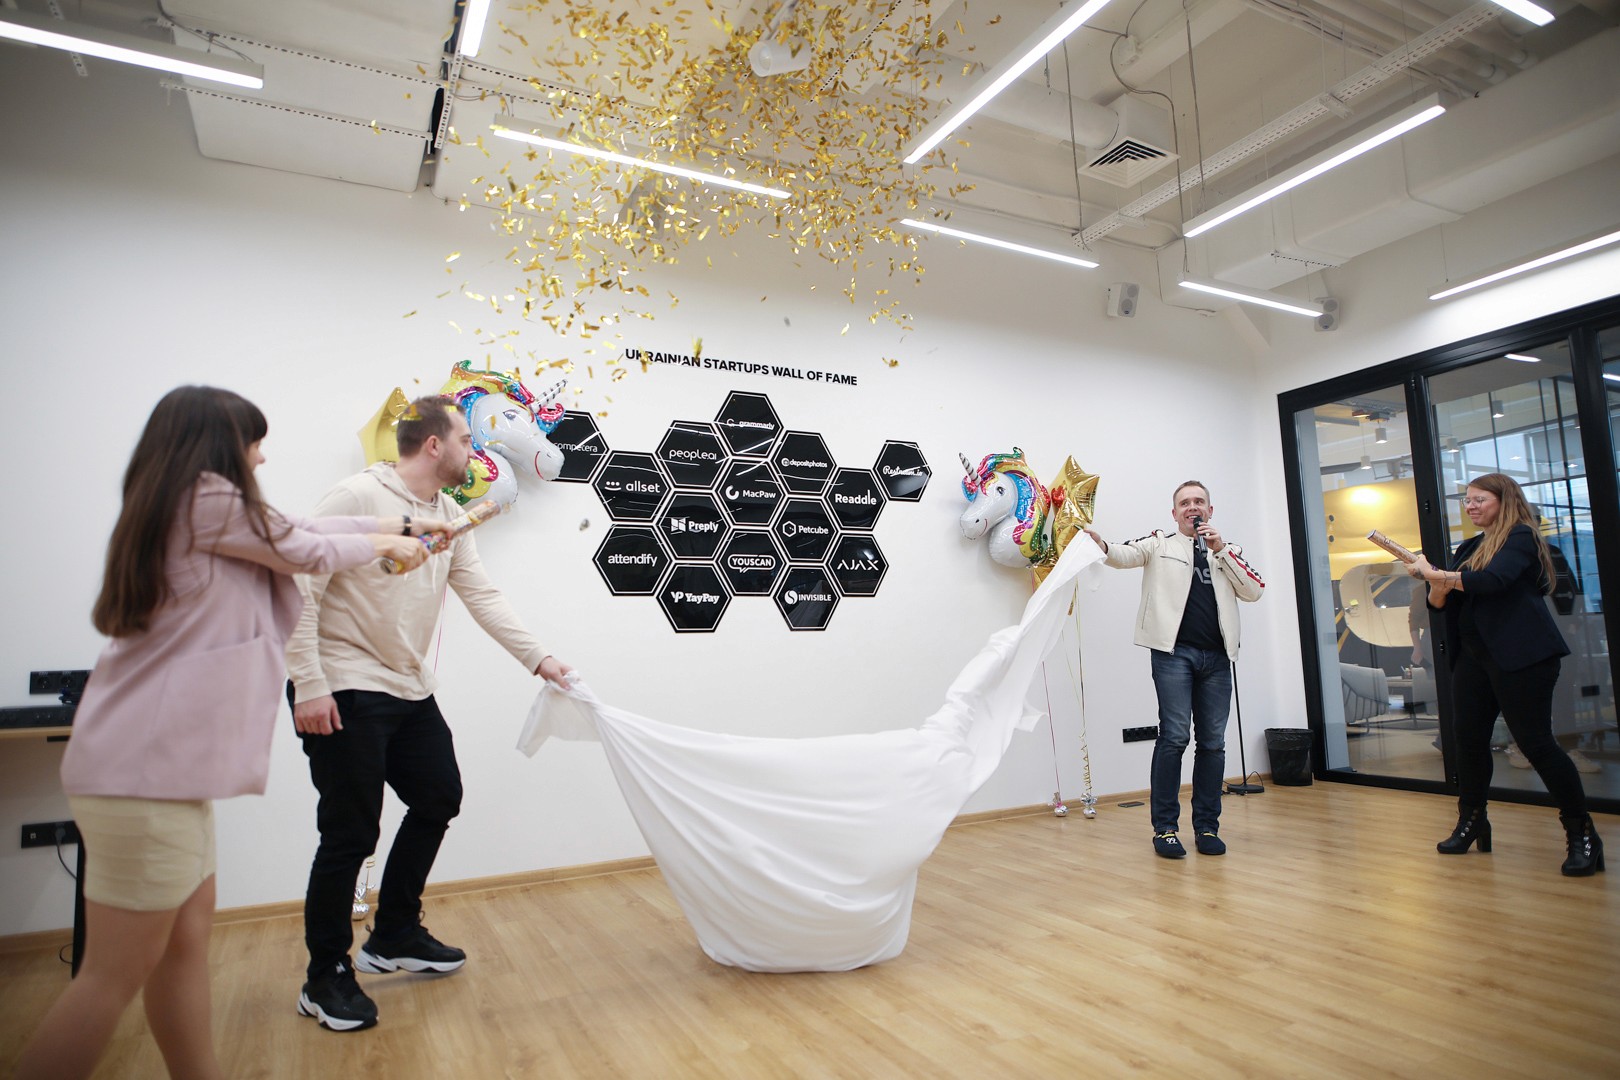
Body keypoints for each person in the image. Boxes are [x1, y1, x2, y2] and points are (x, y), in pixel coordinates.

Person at [15, 387, 433, 1080]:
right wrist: (388, 541)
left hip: (163, 778)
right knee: (110, 978)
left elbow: (298, 526)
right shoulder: (204, 500)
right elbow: (299, 544)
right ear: (217, 445)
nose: (261, 456)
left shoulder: (191, 509)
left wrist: (403, 522)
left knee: (182, 949)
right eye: (254, 441)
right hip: (141, 777)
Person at [286, 395, 574, 1033]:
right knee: (351, 834)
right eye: (467, 440)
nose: (476, 451)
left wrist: (540, 659)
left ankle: (393, 933)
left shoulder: (446, 514)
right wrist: (308, 683)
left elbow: (481, 594)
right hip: (343, 683)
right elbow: (299, 583)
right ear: (434, 444)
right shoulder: (359, 496)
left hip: (407, 687)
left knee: (439, 796)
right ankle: (324, 976)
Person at [1404, 473, 1603, 876]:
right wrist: (1434, 582)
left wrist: (1437, 576)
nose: (1471, 506)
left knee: (1536, 744)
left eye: (1479, 499)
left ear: (1504, 499)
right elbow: (1441, 605)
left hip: (1523, 657)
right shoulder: (1468, 547)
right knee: (1468, 742)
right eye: (1467, 500)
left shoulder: (1522, 537)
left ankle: (1582, 833)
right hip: (1473, 658)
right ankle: (1472, 821)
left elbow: (1494, 582)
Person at [1083, 481, 1265, 859]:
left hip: (1218, 659)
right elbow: (1123, 554)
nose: (1192, 507)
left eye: (1199, 502)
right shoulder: (1159, 544)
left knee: (1213, 743)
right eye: (1185, 503)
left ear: (1210, 511)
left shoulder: (1228, 551)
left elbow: (1254, 590)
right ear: (1174, 513)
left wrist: (1221, 549)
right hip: (1173, 655)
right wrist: (1100, 545)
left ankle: (1207, 827)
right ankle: (1165, 829)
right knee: (1174, 737)